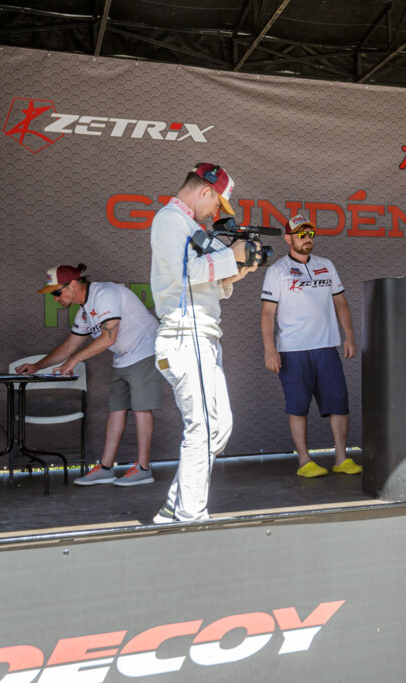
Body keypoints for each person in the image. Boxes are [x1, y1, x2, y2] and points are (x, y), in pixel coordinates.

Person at [149, 163, 259, 523]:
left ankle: (174, 505)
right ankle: (190, 516)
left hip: (202, 336)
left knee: (219, 428)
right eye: (217, 204)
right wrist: (231, 256)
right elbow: (185, 273)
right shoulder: (170, 219)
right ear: (205, 191)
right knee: (203, 429)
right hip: (184, 335)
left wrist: (237, 270)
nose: (216, 213)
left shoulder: (189, 225)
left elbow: (206, 285)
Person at [16, 263, 161, 486]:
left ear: (73, 284)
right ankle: (105, 468)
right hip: (123, 356)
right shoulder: (84, 311)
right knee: (116, 411)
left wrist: (74, 360)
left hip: (145, 349)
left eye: (57, 292)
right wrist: (38, 366)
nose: (55, 298)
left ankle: (143, 468)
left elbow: (109, 337)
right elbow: (69, 346)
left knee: (141, 409)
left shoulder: (105, 293)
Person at [261, 215, 362, 478]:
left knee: (339, 404)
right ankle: (304, 461)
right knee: (298, 406)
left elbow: (340, 303)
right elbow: (267, 313)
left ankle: (341, 458)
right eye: (301, 234)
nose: (307, 238)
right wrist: (270, 349)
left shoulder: (326, 265)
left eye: (311, 234)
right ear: (288, 238)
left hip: (327, 347)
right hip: (293, 350)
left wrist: (349, 337)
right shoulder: (277, 271)